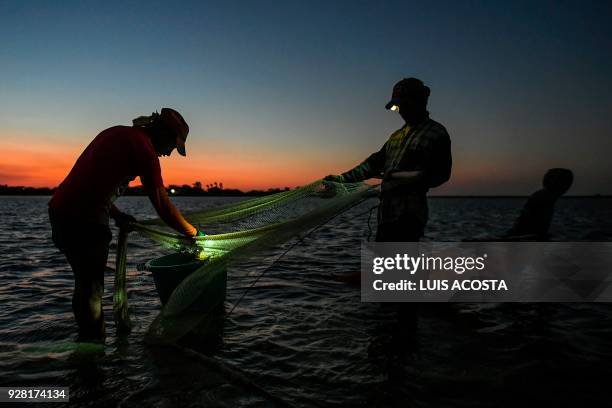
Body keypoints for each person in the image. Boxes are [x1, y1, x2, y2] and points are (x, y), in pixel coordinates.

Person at [48, 108, 203, 342]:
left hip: (61, 212)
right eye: (173, 145)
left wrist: (117, 214)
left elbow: (94, 183)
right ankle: (93, 348)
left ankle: (87, 344)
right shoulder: (144, 148)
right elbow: (161, 204)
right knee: (91, 290)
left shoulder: (118, 134)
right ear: (162, 133)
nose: (170, 153)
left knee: (85, 285)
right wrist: (194, 233)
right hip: (84, 220)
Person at [325, 77, 452, 242]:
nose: (401, 111)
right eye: (398, 106)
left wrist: (403, 176)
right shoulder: (395, 137)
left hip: (410, 216)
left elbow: (441, 174)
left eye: (404, 105)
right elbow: (372, 165)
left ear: (420, 101)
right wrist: (341, 179)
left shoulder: (436, 133)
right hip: (386, 214)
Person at [505, 168, 573, 240]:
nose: (566, 187)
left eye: (568, 183)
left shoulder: (547, 197)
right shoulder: (543, 196)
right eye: (564, 182)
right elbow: (525, 219)